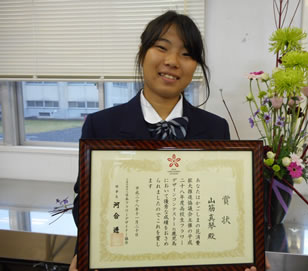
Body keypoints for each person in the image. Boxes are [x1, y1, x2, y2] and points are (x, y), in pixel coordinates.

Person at [69, 10, 263, 271]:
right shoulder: (101, 125)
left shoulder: (215, 128)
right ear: (142, 52)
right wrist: (85, 252)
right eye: (162, 47)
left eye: (187, 54)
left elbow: (222, 203)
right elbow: (85, 203)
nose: (172, 61)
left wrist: (247, 250)